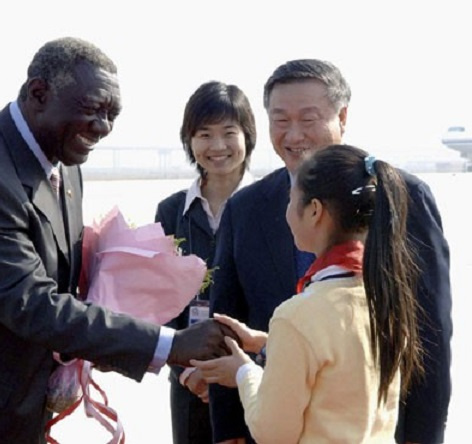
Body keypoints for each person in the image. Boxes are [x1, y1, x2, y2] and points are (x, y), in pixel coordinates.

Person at [0, 37, 237, 444]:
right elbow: (30, 303)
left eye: (111, 114)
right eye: (92, 110)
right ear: (39, 94)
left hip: (8, 399)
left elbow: (64, 283)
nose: (102, 128)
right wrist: (169, 343)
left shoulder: (62, 158)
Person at [208, 59, 452, 444]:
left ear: (342, 116)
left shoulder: (403, 197)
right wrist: (228, 430)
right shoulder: (245, 208)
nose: (293, 135)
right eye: (280, 119)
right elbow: (228, 321)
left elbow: (431, 335)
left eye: (308, 119)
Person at [193, 144, 425, 443]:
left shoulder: (297, 317)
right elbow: (342, 364)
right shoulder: (386, 298)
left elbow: (273, 432)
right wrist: (268, 343)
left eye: (291, 200)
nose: (287, 211)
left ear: (314, 210)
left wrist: (243, 373)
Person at [155, 80, 256, 444]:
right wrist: (186, 371)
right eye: (203, 134)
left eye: (229, 133)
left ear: (248, 135)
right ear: (189, 140)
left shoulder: (276, 204)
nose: (217, 146)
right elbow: (160, 299)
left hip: (256, 375)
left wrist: (248, 367)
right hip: (189, 379)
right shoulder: (171, 211)